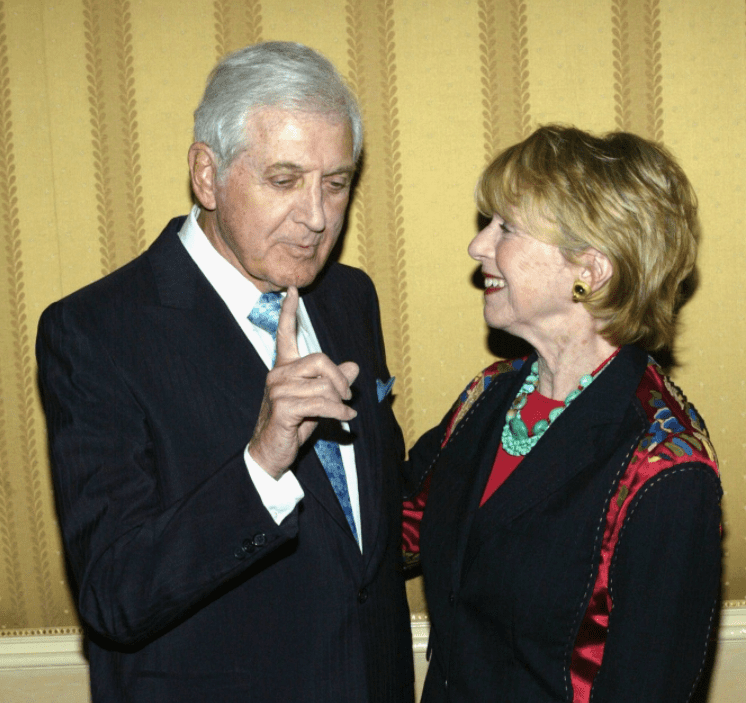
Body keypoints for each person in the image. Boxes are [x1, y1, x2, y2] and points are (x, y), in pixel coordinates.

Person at [37, 41, 413, 703]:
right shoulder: (96, 330)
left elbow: (362, 526)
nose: (319, 216)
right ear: (206, 175)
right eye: (285, 179)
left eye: (336, 181)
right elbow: (113, 593)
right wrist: (262, 460)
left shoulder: (349, 296)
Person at [403, 126, 722, 702]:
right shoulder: (490, 395)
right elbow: (397, 525)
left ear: (590, 270)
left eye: (506, 228)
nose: (479, 247)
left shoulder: (663, 467)